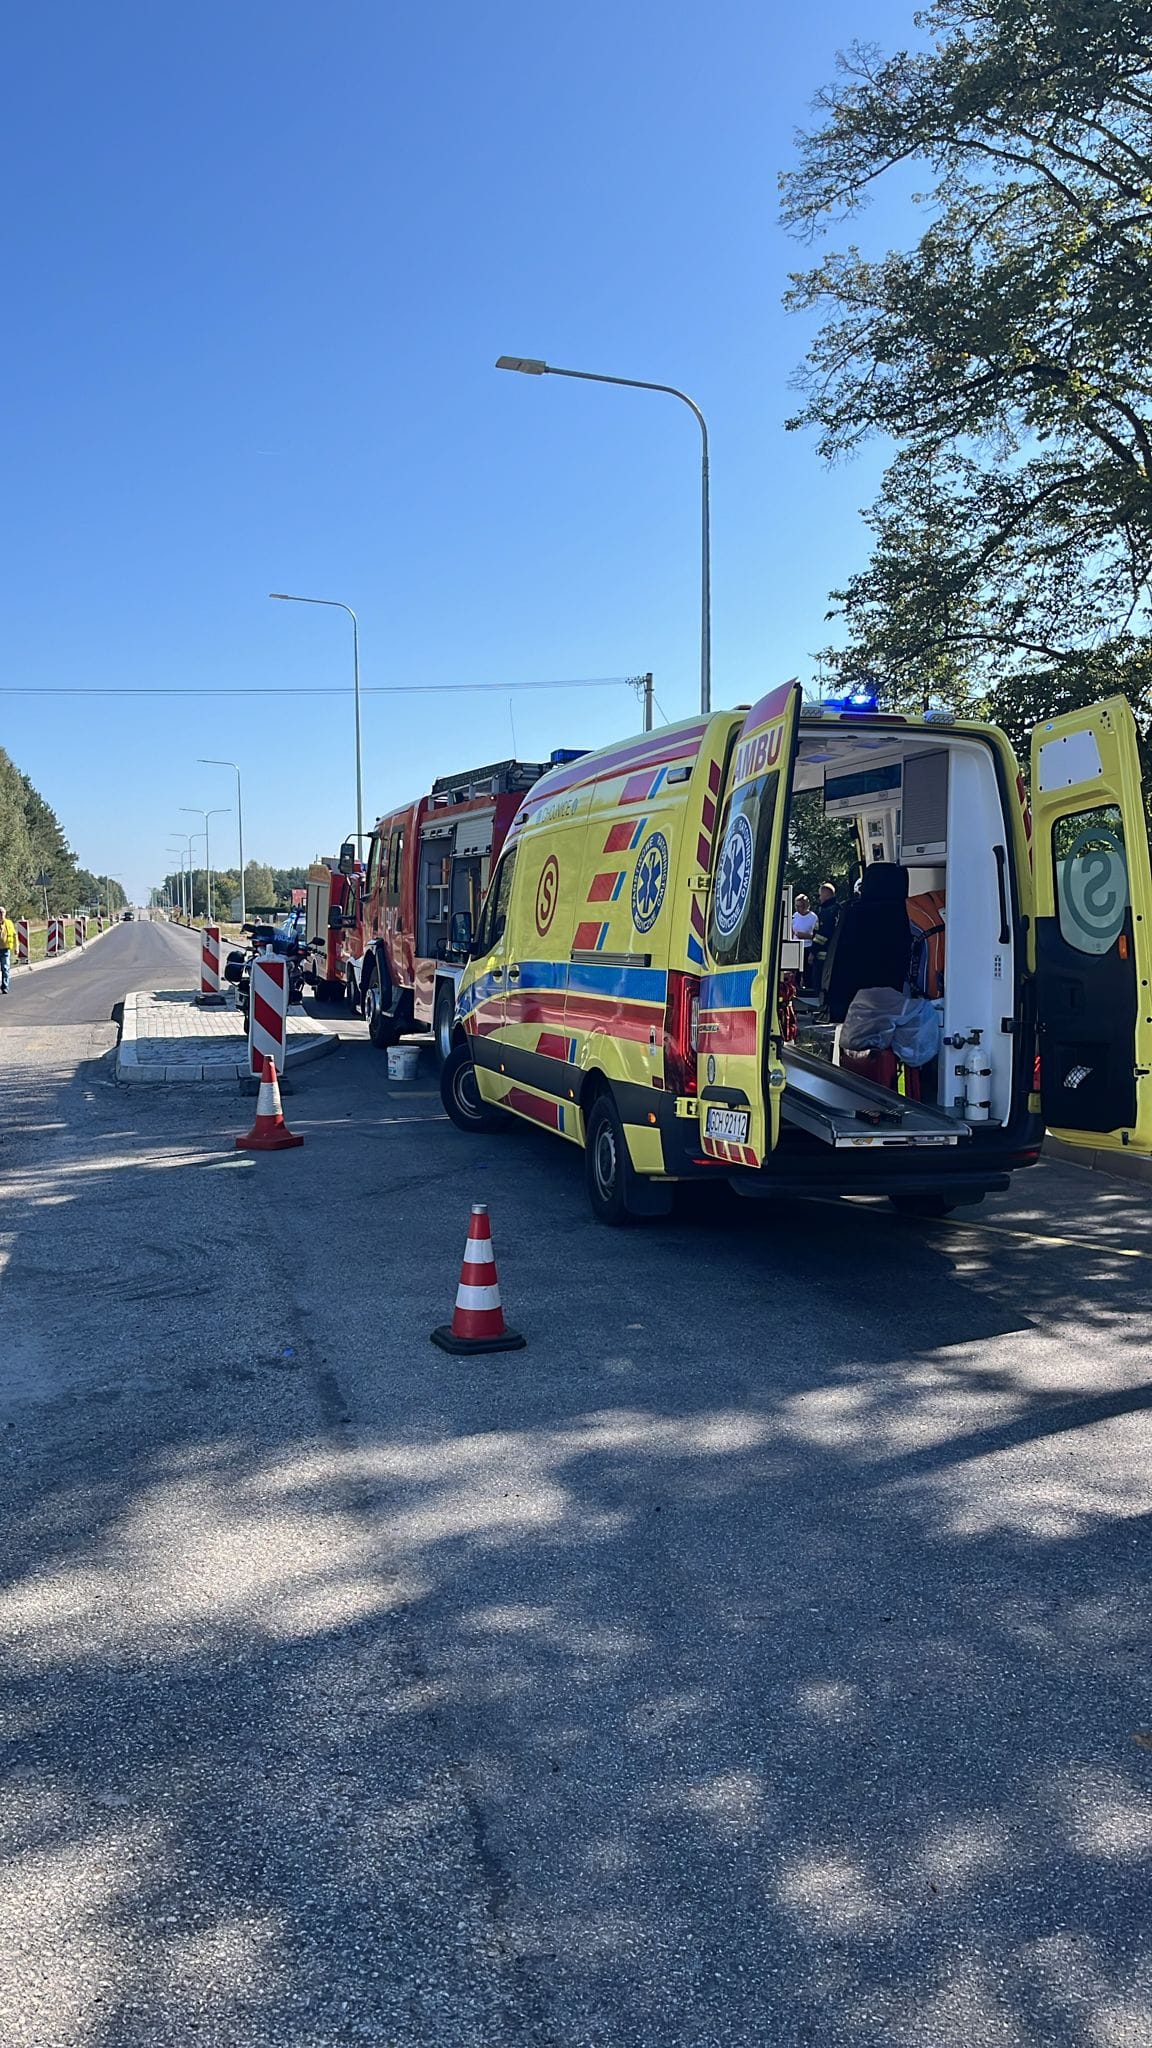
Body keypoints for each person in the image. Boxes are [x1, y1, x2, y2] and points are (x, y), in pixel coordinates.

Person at [808, 881, 840, 993]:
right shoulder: (838, 909)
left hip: (823, 958)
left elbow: (821, 935)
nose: (819, 898)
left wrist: (813, 952)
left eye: (820, 895)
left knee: (819, 987)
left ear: (826, 895)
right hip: (834, 956)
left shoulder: (827, 912)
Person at [0, 906, 15, 995]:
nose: (1, 914)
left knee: (5, 969)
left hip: (5, 950)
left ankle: (5, 987)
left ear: (5, 914)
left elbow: (14, 935)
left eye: (2, 912)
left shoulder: (9, 923)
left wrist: (17, 948)